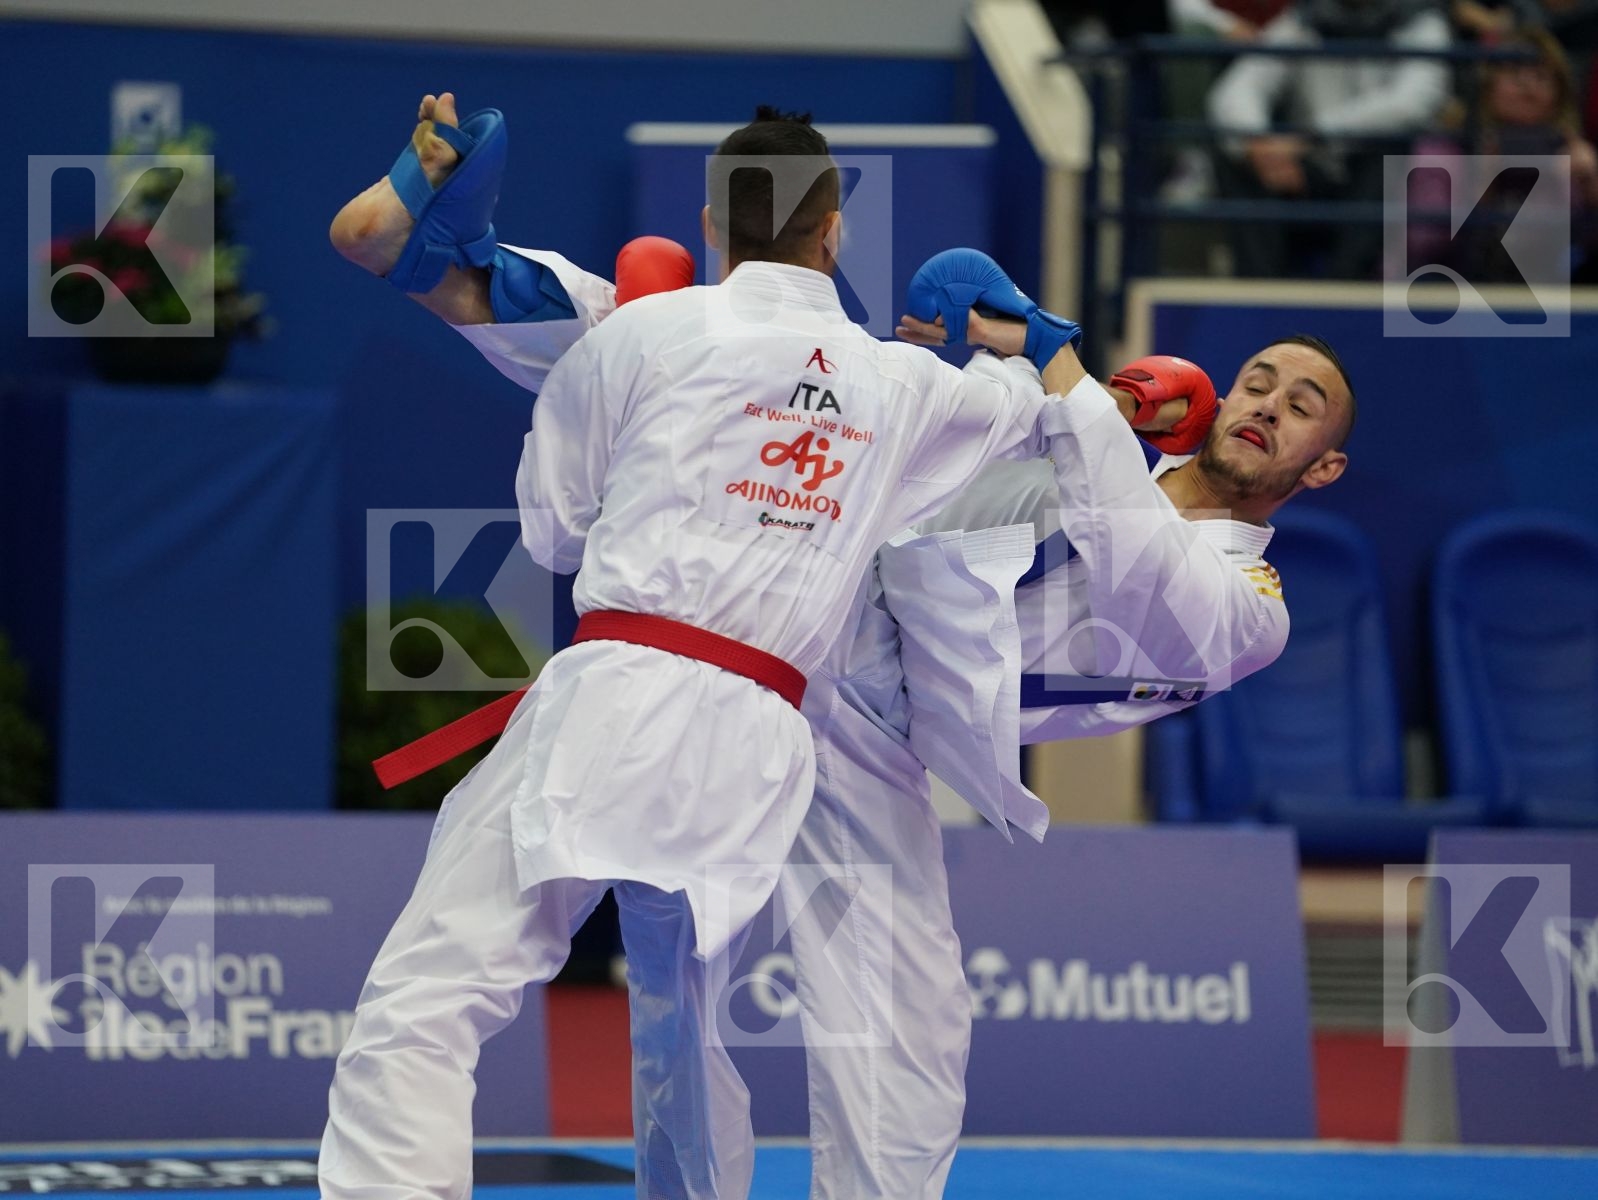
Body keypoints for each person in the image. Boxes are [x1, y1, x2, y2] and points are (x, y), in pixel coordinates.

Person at [326, 94, 1352, 1199]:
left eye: (1301, 406)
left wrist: (1064, 381)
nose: (1268, 405)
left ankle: (477, 272)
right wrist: (1020, 375)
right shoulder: (1097, 444)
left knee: (897, 1021)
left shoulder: (1246, 602)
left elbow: (1137, 560)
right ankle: (469, 273)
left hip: (862, 718)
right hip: (789, 630)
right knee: (678, 984)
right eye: (1259, 381)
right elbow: (943, 437)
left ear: (1323, 466)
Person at [1208, 0, 1453, 279]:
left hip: (1379, 179)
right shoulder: (1304, 19)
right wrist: (1259, 144)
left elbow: (1411, 103)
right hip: (1308, 169)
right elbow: (1239, 87)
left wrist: (1315, 135)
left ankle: (1347, 286)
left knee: (1391, 146)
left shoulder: (1421, 22)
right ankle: (1261, 289)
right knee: (1237, 150)